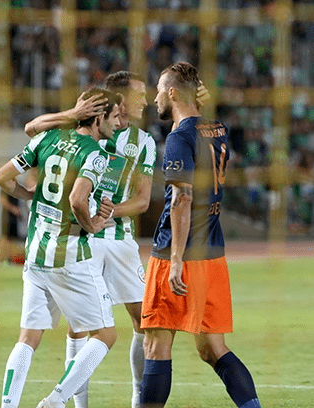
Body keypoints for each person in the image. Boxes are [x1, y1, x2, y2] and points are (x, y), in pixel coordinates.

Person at [24, 71, 210, 408]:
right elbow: (31, 129)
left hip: (119, 240)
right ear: (120, 99)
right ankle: (76, 404)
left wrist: (108, 214)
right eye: (139, 94)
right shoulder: (85, 126)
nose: (144, 101)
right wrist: (70, 114)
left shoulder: (143, 142)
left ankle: (139, 396)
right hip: (82, 239)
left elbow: (141, 201)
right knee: (80, 328)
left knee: (144, 320)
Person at [139, 61, 261, 408]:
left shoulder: (178, 138)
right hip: (212, 254)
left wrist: (175, 260)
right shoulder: (217, 129)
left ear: (173, 92)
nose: (155, 98)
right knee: (213, 349)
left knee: (156, 345)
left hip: (175, 254)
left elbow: (181, 199)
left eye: (160, 90)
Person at [0, 88, 122, 408]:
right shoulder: (94, 153)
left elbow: (2, 178)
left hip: (36, 253)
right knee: (105, 335)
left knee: (28, 337)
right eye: (114, 116)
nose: (117, 124)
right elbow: (77, 199)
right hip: (70, 257)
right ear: (98, 117)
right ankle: (56, 400)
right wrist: (92, 224)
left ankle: (8, 405)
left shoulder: (46, 138)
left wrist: (28, 196)